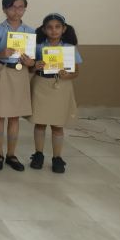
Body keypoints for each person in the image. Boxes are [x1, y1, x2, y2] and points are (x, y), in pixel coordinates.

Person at [29, 13, 82, 173]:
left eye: (57, 27)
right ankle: (38, 154)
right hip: (41, 85)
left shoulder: (69, 48)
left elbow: (76, 72)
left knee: (57, 125)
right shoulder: (38, 47)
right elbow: (30, 68)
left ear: (64, 29)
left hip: (61, 87)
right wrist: (35, 66)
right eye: (50, 27)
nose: (54, 30)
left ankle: (57, 157)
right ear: (44, 30)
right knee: (40, 123)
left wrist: (67, 75)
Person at [0, 0, 35, 171]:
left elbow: (34, 60)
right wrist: (1, 53)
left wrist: (31, 62)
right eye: (12, 7)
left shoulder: (30, 32)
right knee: (0, 114)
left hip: (20, 73)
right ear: (4, 9)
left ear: (25, 9)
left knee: (15, 116)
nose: (16, 11)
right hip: (2, 72)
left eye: (20, 7)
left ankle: (11, 154)